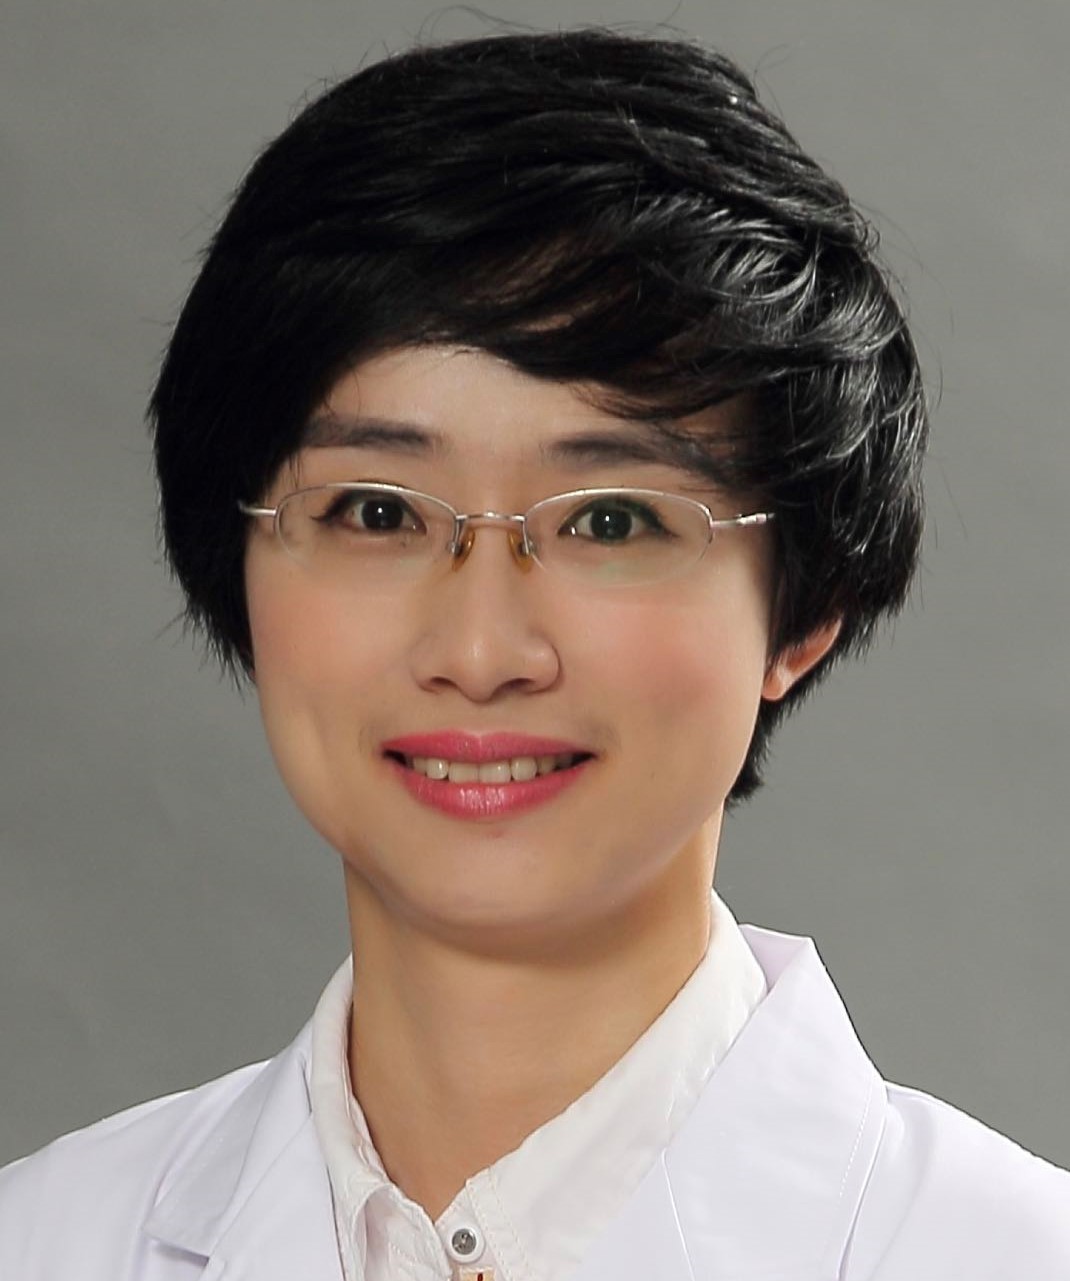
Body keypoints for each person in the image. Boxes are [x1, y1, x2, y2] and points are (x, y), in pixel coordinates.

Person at [1, 26, 1067, 1281]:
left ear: (804, 606)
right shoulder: (47, 1241)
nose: (479, 649)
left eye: (608, 521)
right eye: (376, 512)